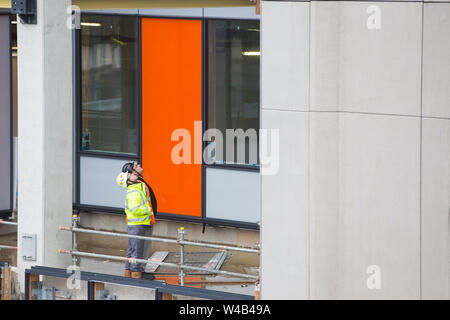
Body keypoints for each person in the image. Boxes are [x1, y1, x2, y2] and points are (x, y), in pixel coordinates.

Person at [116, 162, 156, 279]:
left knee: (133, 249)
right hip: (138, 223)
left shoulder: (137, 186)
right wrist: (148, 210)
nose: (133, 174)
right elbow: (136, 208)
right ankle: (136, 273)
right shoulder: (134, 191)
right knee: (137, 250)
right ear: (129, 180)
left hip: (139, 223)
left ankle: (129, 271)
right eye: (130, 175)